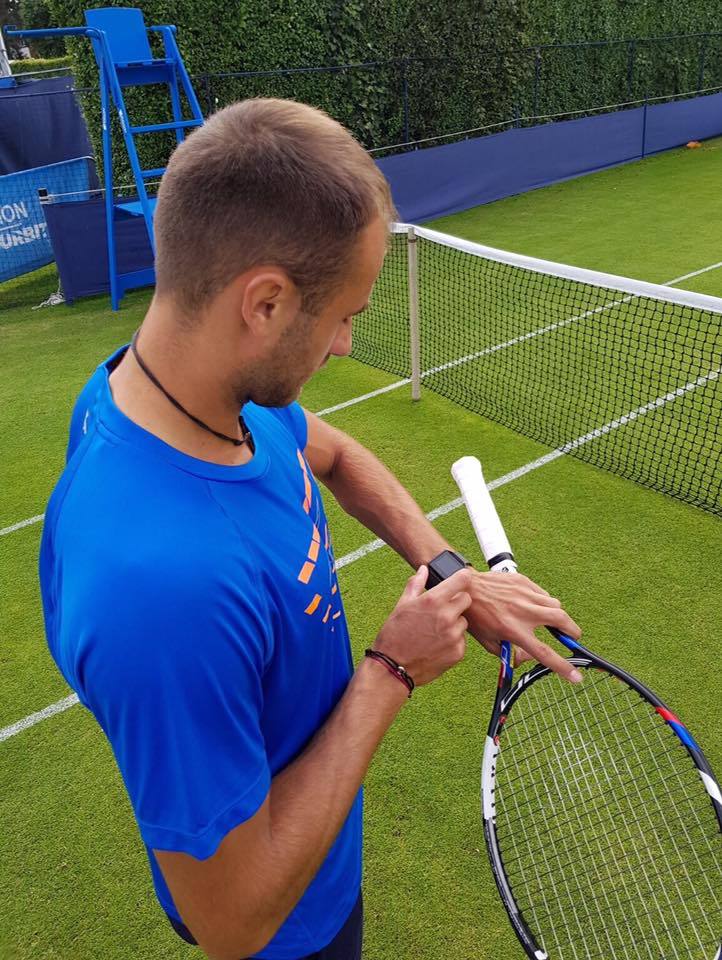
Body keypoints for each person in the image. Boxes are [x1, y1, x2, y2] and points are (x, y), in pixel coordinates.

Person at [38, 98, 581, 960]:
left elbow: (329, 454)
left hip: (322, 855)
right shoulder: (159, 592)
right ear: (264, 302)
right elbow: (231, 919)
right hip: (288, 931)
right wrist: (392, 672)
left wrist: (447, 569)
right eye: (342, 315)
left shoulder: (180, 391)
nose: (345, 346)